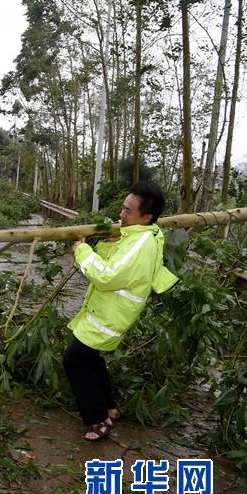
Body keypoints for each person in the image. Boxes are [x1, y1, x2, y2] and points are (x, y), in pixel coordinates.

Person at [64, 181, 178, 441]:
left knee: (75, 359)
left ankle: (98, 420)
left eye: (128, 211)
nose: (121, 214)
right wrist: (106, 243)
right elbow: (115, 262)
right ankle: (110, 407)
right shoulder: (138, 235)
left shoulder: (141, 243)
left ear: (146, 217)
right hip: (105, 311)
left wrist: (82, 251)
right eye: (123, 208)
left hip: (111, 316)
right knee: (91, 358)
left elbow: (106, 275)